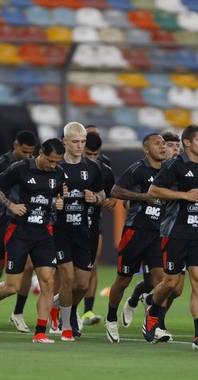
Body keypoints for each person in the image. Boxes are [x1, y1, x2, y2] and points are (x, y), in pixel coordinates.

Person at [0, 138, 66, 343]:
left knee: (47, 281)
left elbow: (56, 195)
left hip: (43, 232)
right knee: (13, 287)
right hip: (18, 231)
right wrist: (10, 205)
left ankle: (40, 333)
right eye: (50, 161)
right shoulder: (19, 168)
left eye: (57, 162)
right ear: (40, 153)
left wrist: (58, 202)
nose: (53, 166)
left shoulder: (58, 173)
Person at [144, 125, 198, 350]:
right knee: (171, 283)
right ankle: (152, 309)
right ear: (187, 143)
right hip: (174, 232)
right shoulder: (174, 164)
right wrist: (183, 195)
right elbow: (153, 191)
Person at [104, 133, 166, 343]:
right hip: (136, 231)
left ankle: (154, 323)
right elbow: (116, 190)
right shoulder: (138, 169)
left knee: (161, 282)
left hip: (158, 233)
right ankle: (111, 318)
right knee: (123, 280)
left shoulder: (170, 171)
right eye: (157, 144)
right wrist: (142, 197)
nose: (162, 147)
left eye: (163, 144)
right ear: (146, 149)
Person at [54, 122, 106, 341]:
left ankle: (61, 303)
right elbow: (40, 193)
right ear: (64, 141)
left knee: (82, 284)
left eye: (83, 141)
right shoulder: (55, 167)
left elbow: (103, 195)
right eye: (75, 141)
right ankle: (67, 324)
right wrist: (55, 200)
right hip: (60, 231)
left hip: (84, 231)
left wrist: (95, 199)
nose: (79, 146)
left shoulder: (92, 168)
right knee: (67, 278)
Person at [0, 130, 37, 333]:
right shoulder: (1, 163)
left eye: (30, 152)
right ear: (15, 145)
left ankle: (18, 312)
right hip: (1, 221)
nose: (27, 156)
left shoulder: (32, 164)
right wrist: (8, 203)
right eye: (24, 151)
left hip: (24, 222)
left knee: (28, 267)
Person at [123, 130, 180, 315]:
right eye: (168, 145)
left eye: (175, 146)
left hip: (173, 233)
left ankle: (148, 302)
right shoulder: (144, 169)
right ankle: (155, 321)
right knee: (158, 282)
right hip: (146, 231)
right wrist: (139, 198)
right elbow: (125, 197)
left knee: (175, 290)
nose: (172, 149)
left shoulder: (178, 171)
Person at [81, 131, 116, 326]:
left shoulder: (103, 167)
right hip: (67, 224)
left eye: (95, 154)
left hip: (94, 222)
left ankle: (87, 311)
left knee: (92, 266)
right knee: (64, 272)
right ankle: (59, 312)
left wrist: (110, 202)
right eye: (89, 154)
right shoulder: (66, 165)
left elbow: (112, 195)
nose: (92, 158)